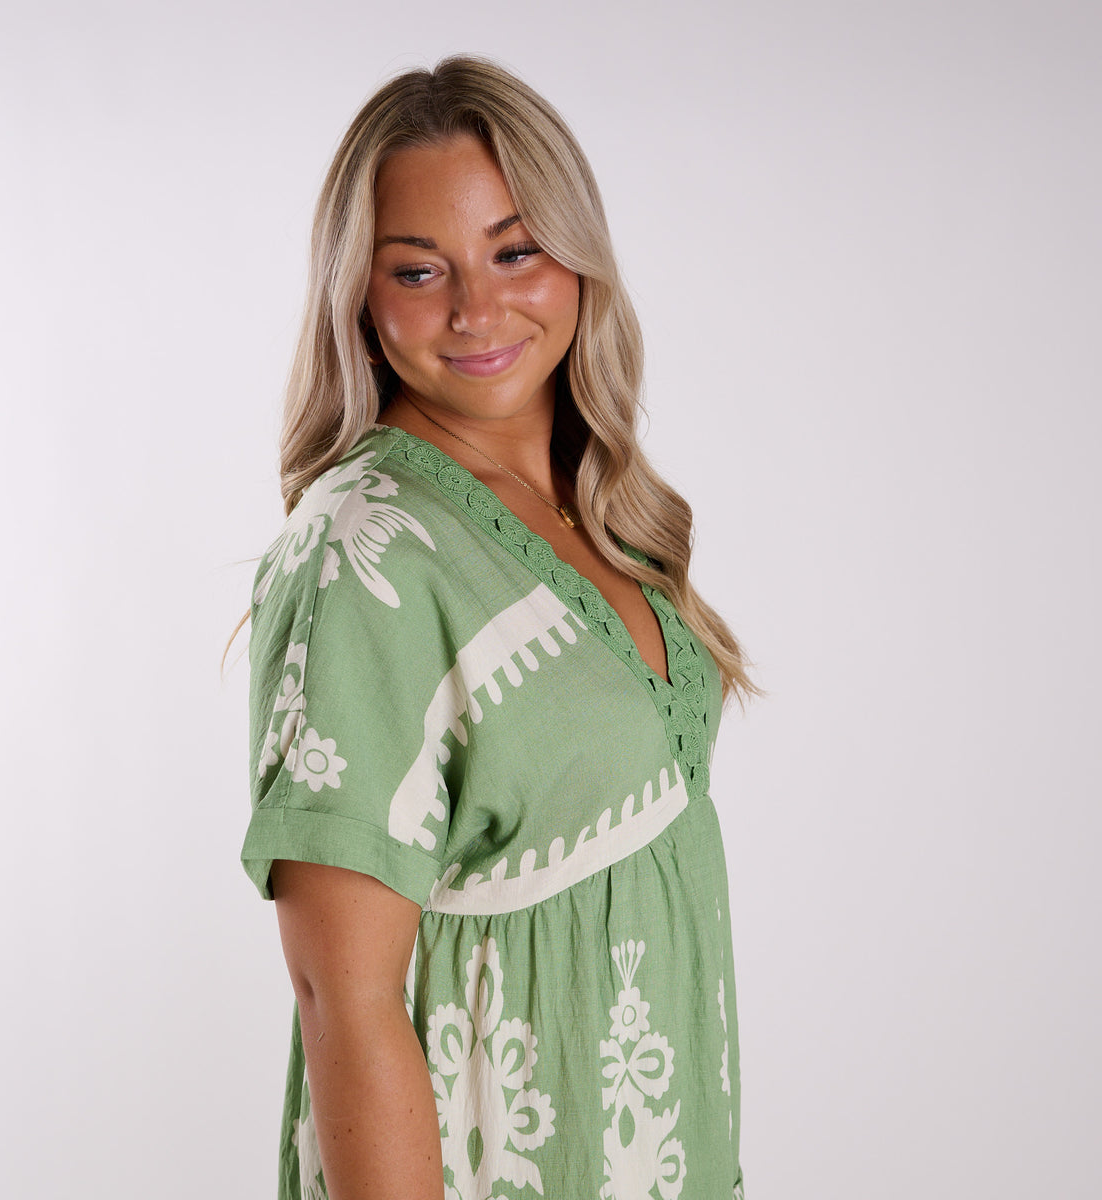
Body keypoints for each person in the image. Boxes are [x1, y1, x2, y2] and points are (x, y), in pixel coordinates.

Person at [238, 53, 757, 1200]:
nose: (477, 309)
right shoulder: (363, 553)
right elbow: (343, 995)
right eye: (419, 270)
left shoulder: (602, 505)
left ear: (577, 257)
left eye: (515, 251)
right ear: (360, 301)